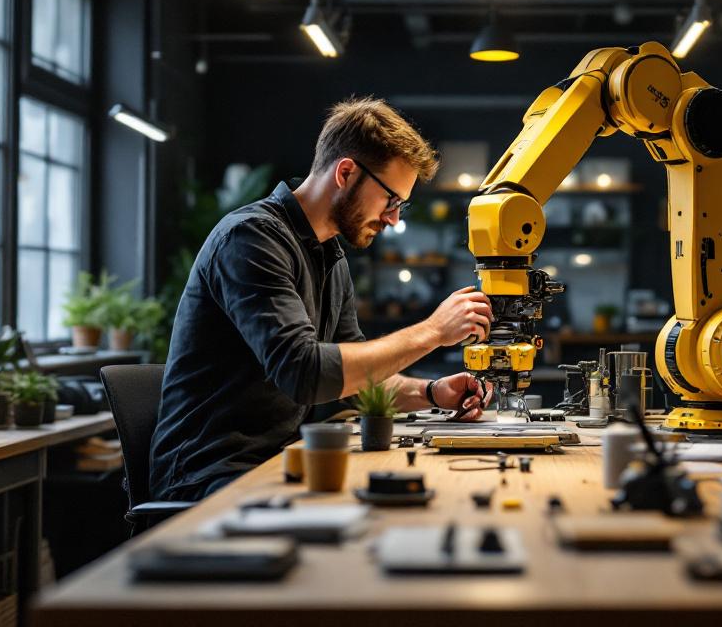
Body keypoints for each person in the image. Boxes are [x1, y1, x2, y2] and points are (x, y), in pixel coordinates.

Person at [149, 96, 494, 501]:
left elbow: (351, 383)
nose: (394, 218)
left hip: (276, 464)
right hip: (207, 476)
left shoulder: (331, 256)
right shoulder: (251, 240)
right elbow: (304, 373)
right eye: (391, 200)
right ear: (346, 172)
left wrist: (431, 393)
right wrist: (434, 331)